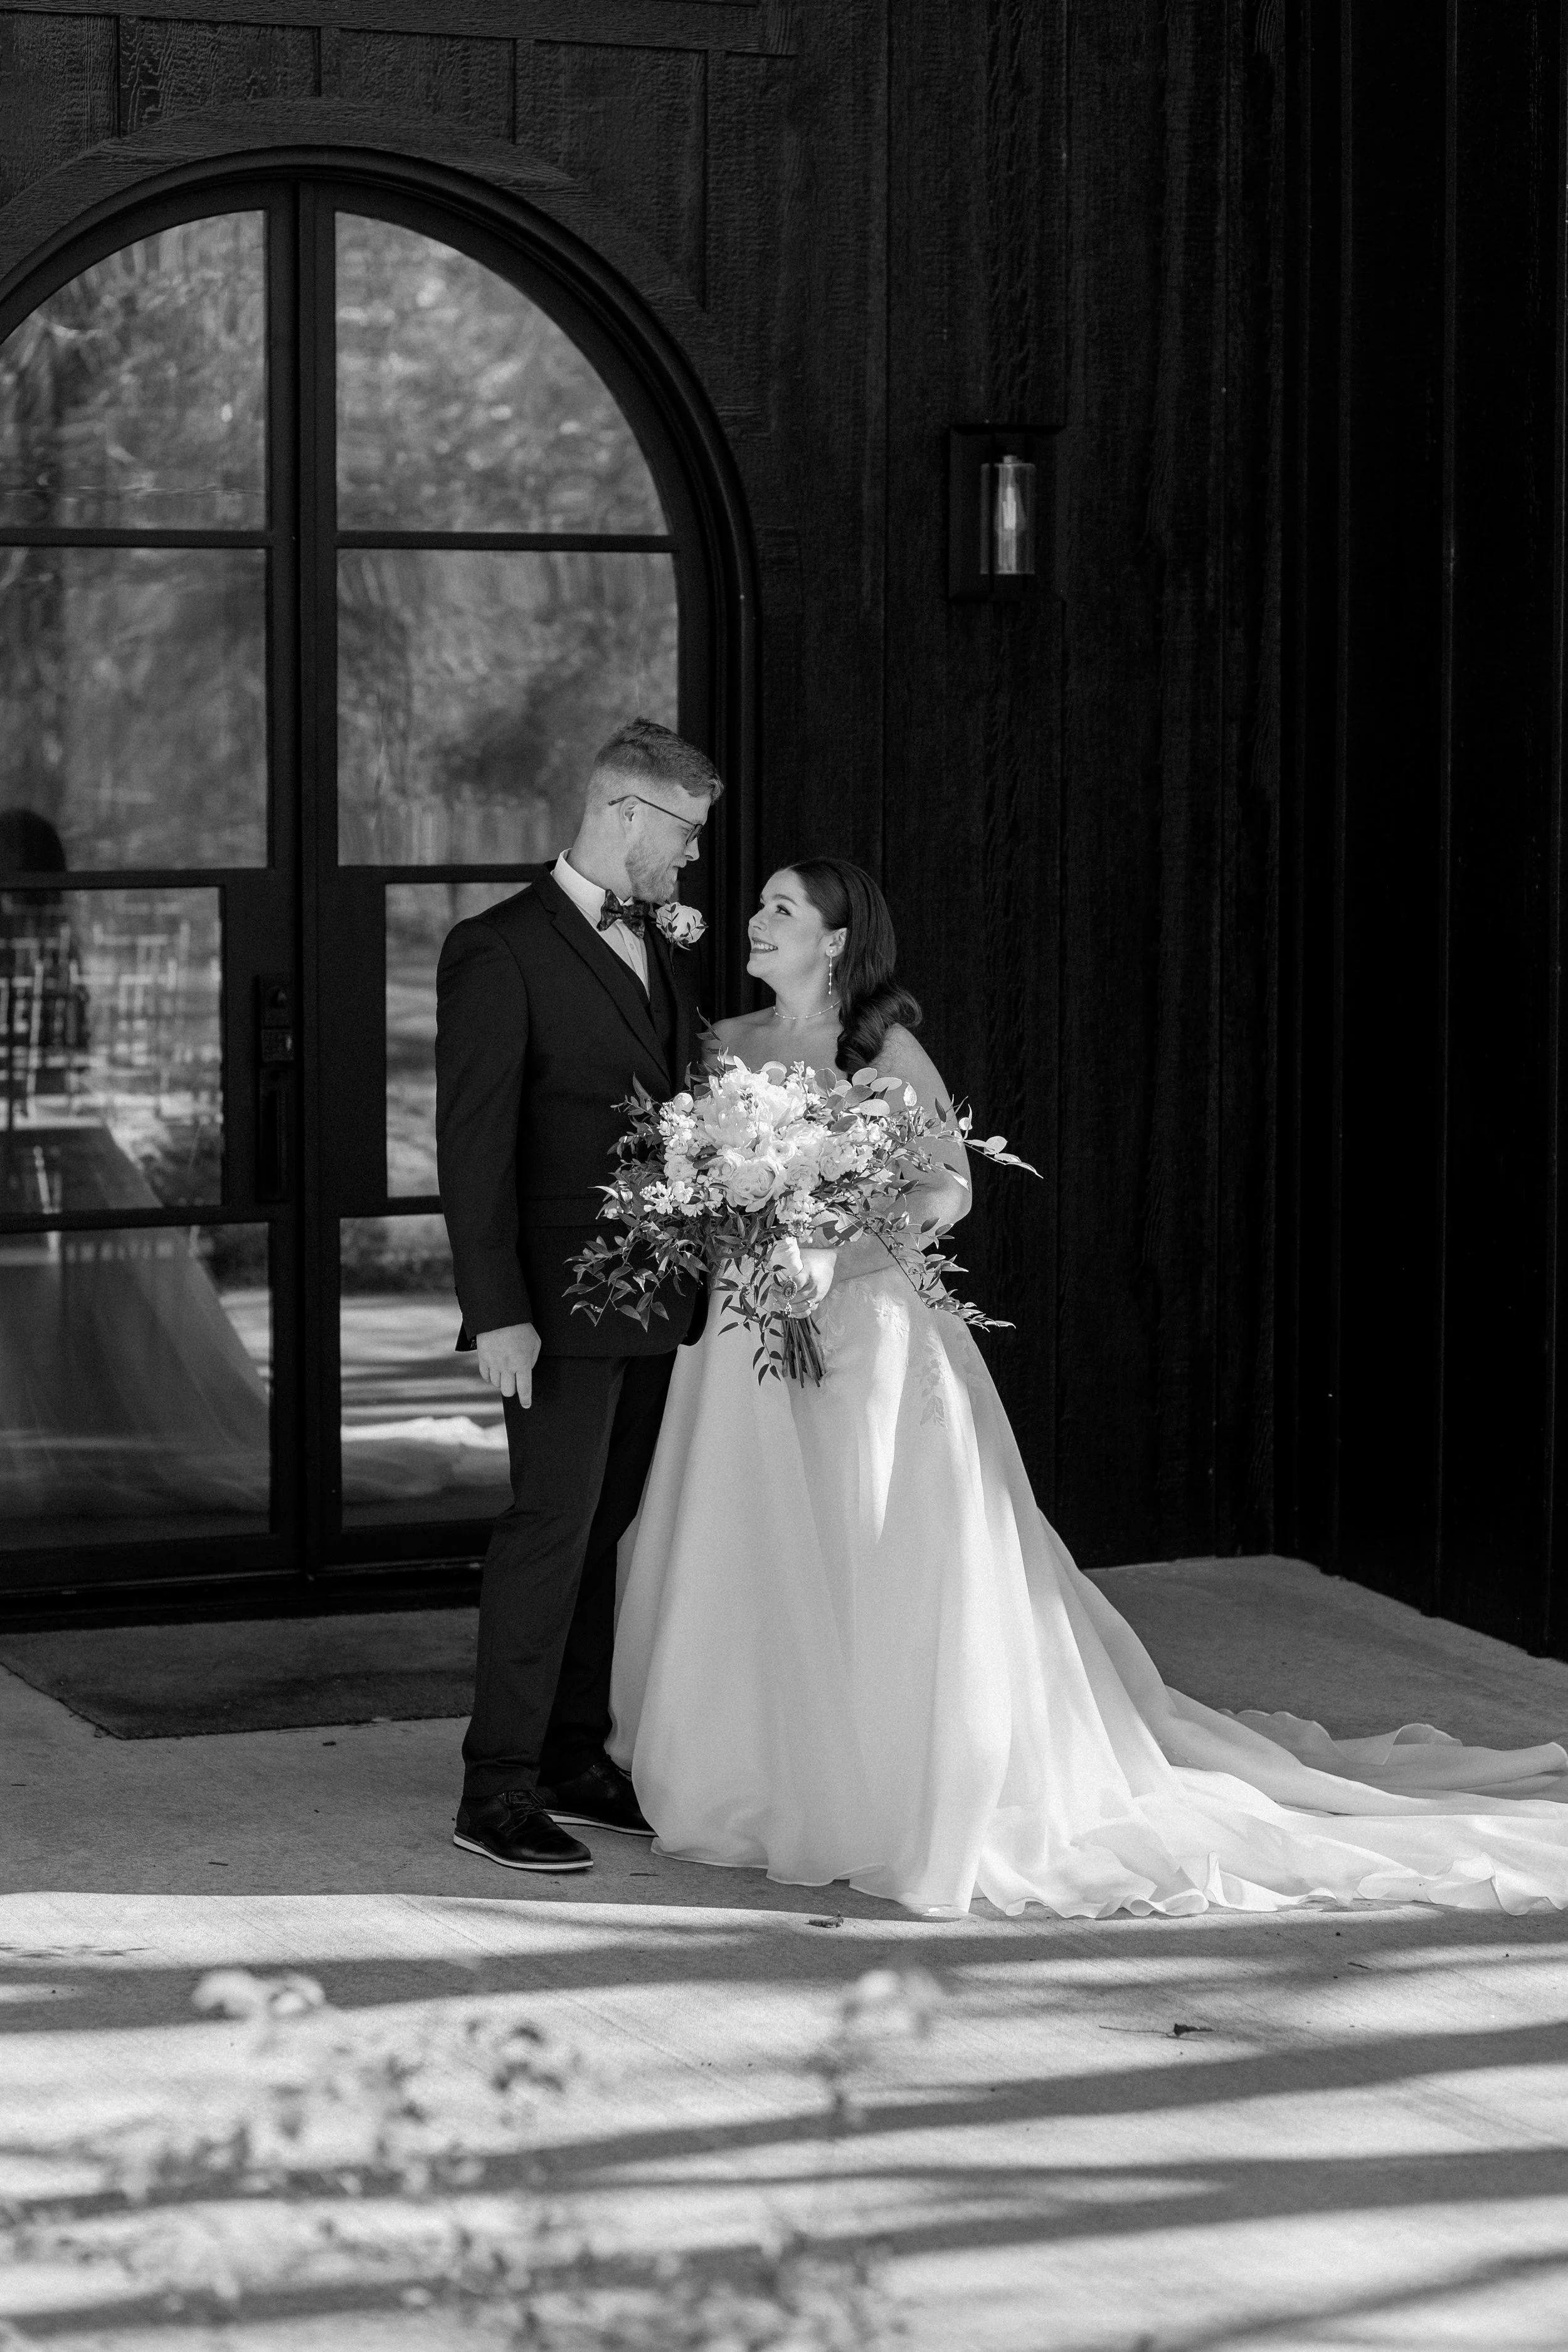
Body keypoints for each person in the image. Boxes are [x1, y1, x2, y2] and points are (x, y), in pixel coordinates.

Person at [610, 857, 1568, 1918]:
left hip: (865, 1337)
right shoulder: (728, 1045)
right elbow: (696, 1173)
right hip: (748, 1339)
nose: (755, 921)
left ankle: (871, 1775)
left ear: (835, 941)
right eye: (759, 907)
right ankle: (753, 1757)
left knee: (868, 1548)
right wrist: (732, 1213)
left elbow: (946, 1188)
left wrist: (835, 1250)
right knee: (756, 1541)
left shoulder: (887, 1055)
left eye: (780, 910)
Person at [437, 718, 718, 1874]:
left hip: (658, 1297)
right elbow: (473, 1144)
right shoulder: (496, 948)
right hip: (553, 1306)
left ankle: (570, 1751)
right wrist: (496, 1307)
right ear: (624, 814)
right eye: (685, 836)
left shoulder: (661, 941)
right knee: (548, 1529)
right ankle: (494, 1785)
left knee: (608, 1527)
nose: (691, 860)